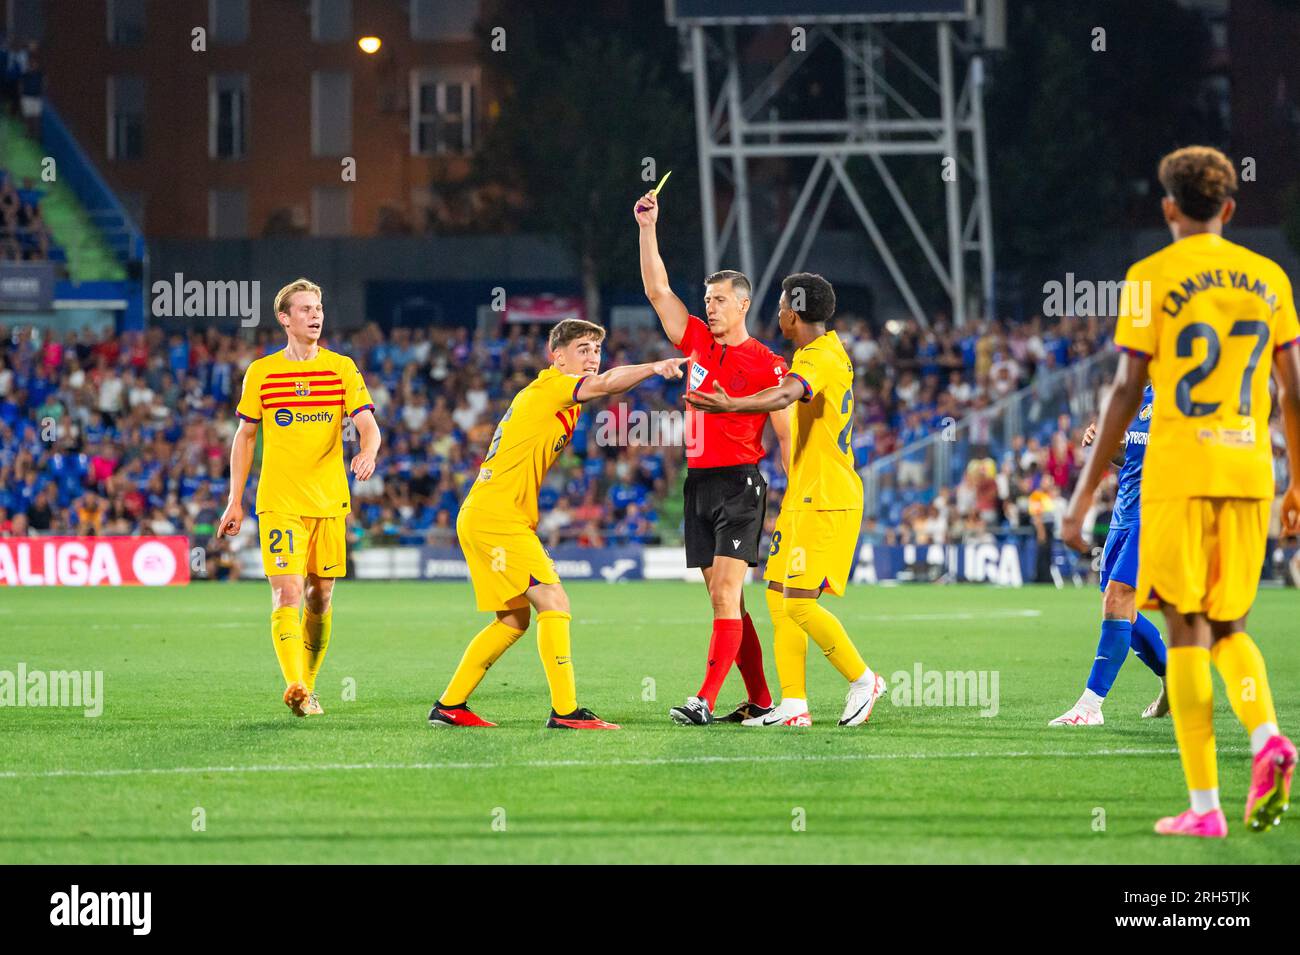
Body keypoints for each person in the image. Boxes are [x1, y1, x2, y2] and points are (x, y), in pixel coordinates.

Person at [1063, 146, 1300, 838]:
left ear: (1168, 208)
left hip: (1177, 474)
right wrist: (1296, 487)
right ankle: (1265, 737)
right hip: (1250, 473)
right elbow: (1294, 388)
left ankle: (1205, 808)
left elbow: (1126, 389)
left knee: (1188, 631)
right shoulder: (1269, 278)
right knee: (1232, 627)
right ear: (1230, 208)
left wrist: (1080, 498)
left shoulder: (1149, 278)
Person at [429, 319, 684, 730]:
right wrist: (654, 367)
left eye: (596, 350)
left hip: (485, 513)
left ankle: (450, 705)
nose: (592, 358)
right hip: (496, 517)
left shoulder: (552, 394)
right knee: (554, 601)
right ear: (557, 356)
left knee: (513, 620)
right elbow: (606, 385)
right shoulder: (553, 387)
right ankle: (566, 712)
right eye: (583, 349)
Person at [687, 273, 885, 728]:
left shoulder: (819, 357)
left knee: (797, 603)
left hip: (827, 496)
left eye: (779, 306)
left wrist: (733, 404)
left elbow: (786, 394)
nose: (776, 314)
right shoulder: (813, 353)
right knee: (778, 599)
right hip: (804, 494)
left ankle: (863, 678)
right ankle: (794, 705)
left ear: (792, 313)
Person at [636, 186, 791, 726]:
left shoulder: (768, 362)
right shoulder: (697, 341)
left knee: (727, 594)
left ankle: (702, 699)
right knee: (728, 603)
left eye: (719, 299)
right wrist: (647, 227)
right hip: (698, 483)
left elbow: (786, 433)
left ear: (743, 304)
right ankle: (763, 701)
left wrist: (794, 494)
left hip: (739, 486)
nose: (709, 306)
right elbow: (658, 291)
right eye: (707, 300)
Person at [217, 278, 381, 718]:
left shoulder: (341, 368)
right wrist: (235, 500)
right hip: (279, 502)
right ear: (285, 318)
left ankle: (307, 685)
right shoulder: (262, 372)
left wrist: (368, 451)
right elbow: (245, 436)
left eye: (319, 308)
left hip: (328, 502)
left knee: (320, 596)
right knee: (287, 593)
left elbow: (367, 422)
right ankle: (295, 684)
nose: (315, 315)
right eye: (305, 309)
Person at [1049, 389, 1168, 726]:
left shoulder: (1181, 394)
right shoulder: (1136, 396)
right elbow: (1130, 456)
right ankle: (1174, 680)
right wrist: (1107, 442)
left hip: (1157, 513)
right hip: (1124, 513)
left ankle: (1090, 706)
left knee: (1117, 599)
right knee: (1120, 610)